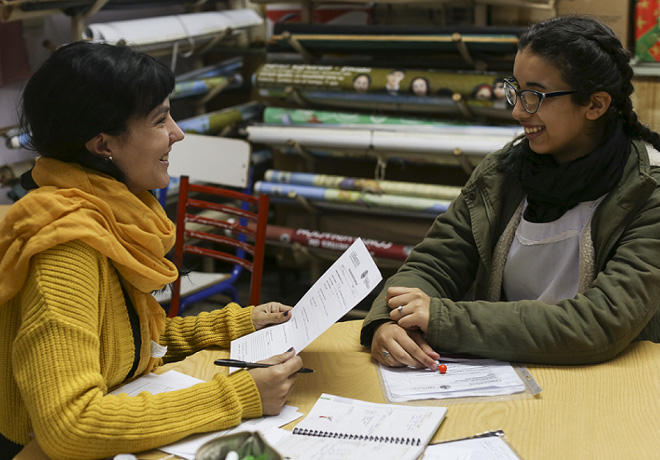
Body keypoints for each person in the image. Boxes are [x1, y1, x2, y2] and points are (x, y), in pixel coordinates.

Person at [0, 41, 303, 459]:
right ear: (104, 145)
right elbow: (70, 427)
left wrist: (241, 323)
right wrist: (239, 396)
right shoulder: (66, 247)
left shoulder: (113, 215)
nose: (177, 133)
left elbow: (130, 344)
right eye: (161, 120)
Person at [361, 16, 660, 370]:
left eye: (535, 95)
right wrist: (387, 321)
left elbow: (598, 323)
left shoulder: (647, 191)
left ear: (595, 105)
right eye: (515, 90)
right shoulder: (503, 173)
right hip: (505, 378)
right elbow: (435, 263)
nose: (518, 110)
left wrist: (442, 320)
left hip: (609, 387)